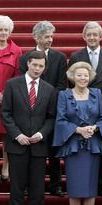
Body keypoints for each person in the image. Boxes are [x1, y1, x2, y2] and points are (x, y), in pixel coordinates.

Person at [68, 21, 102, 197]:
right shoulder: (76, 56)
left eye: (95, 34)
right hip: (80, 108)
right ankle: (81, 181)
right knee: (82, 148)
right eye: (89, 34)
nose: (92, 37)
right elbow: (70, 82)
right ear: (84, 37)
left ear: (101, 37)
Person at [2, 51, 57, 205]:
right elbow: (6, 113)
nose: (37, 69)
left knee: (37, 190)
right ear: (28, 64)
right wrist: (17, 135)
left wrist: (41, 134)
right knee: (17, 189)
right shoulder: (12, 85)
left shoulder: (49, 89)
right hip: (16, 145)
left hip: (38, 146)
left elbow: (51, 117)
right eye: (35, 65)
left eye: (41, 66)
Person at [19, 20, 67, 196]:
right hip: (29, 112)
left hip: (52, 111)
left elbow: (62, 85)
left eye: (51, 36)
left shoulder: (60, 58)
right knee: (29, 154)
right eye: (46, 37)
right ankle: (26, 186)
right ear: (36, 37)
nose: (50, 40)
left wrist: (48, 102)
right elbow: (21, 85)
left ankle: (56, 185)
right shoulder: (24, 58)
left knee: (54, 152)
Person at [53, 61, 102, 205]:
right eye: (79, 75)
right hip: (73, 147)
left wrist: (94, 128)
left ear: (90, 77)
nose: (83, 78)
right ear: (72, 77)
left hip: (93, 146)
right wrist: (78, 130)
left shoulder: (97, 94)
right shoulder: (64, 95)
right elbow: (60, 120)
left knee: (91, 190)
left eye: (86, 75)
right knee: (75, 189)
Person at [0, 15, 22, 183]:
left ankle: (6, 166)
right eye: (0, 30)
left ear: (10, 32)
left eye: (6, 30)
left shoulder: (17, 51)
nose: (2, 33)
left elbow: (18, 77)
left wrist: (5, 94)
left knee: (7, 135)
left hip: (6, 100)